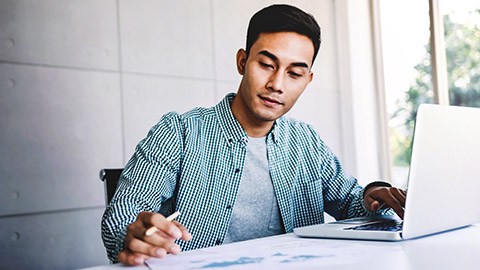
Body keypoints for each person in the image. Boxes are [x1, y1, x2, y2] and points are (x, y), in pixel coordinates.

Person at [101, 4, 406, 266]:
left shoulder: (306, 141)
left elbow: (351, 204)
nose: (277, 84)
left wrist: (374, 194)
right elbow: (121, 219)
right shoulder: (179, 132)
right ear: (242, 62)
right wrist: (134, 235)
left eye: (294, 73)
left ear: (308, 79)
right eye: (266, 64)